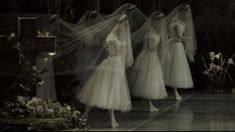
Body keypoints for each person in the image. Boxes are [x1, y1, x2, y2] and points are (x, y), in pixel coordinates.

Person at [76, 14, 133, 128]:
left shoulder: (116, 36)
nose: (124, 29)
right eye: (124, 26)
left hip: (116, 64)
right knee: (100, 90)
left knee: (111, 91)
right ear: (119, 24)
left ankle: (101, 117)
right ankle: (88, 115)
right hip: (111, 64)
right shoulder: (112, 37)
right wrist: (121, 48)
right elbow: (113, 50)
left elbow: (112, 49)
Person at [130, 12, 168, 112]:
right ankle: (150, 104)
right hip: (149, 56)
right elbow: (150, 47)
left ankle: (150, 104)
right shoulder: (150, 33)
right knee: (148, 79)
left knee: (151, 79)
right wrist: (157, 46)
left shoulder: (154, 32)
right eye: (159, 22)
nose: (160, 24)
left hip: (153, 56)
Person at [165, 4, 197, 100]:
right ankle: (175, 92)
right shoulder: (177, 24)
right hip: (176, 46)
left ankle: (175, 92)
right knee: (175, 69)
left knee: (175, 69)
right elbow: (178, 37)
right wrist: (187, 38)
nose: (187, 16)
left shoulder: (177, 22)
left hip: (176, 46)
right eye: (186, 13)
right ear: (182, 13)